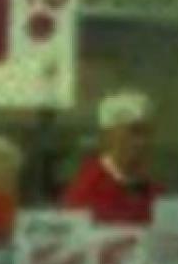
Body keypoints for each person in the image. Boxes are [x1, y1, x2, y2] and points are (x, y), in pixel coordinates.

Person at [62, 92, 160, 226]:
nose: (142, 142)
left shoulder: (155, 191)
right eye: (134, 132)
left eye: (148, 133)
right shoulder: (85, 191)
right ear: (108, 136)